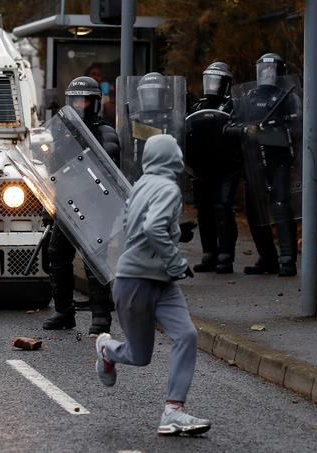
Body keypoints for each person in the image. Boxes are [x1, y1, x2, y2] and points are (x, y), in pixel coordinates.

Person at [94, 134, 211, 436]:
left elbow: (140, 225)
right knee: (139, 355)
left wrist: (176, 234)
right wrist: (177, 263)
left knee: (186, 335)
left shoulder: (141, 185)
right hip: (137, 279)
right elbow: (153, 227)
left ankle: (173, 411)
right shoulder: (169, 188)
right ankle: (107, 350)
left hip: (161, 282)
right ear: (172, 156)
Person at [42, 76, 121, 335]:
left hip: (96, 204)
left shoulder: (103, 129)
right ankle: (63, 311)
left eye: (86, 99)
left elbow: (109, 151)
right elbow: (52, 170)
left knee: (93, 258)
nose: (81, 104)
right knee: (56, 254)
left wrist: (90, 151)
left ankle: (100, 318)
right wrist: (49, 206)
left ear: (95, 102)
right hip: (67, 202)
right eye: (76, 100)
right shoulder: (60, 132)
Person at [227, 53, 300, 276]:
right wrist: (245, 129)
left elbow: (297, 127)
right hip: (254, 160)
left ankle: (287, 258)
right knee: (253, 209)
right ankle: (267, 256)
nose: (266, 73)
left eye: (271, 70)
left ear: (279, 72)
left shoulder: (287, 97)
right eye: (263, 69)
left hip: (278, 159)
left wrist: (271, 129)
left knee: (280, 204)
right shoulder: (248, 97)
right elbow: (229, 125)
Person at [187, 62, 241, 274]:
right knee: (204, 209)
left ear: (226, 83)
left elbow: (239, 133)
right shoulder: (198, 106)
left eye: (218, 80)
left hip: (227, 166)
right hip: (202, 166)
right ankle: (209, 252)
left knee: (222, 207)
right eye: (210, 79)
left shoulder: (233, 106)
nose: (213, 85)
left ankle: (226, 254)